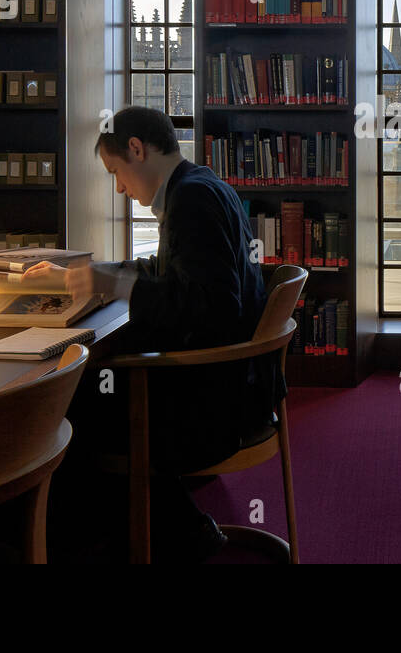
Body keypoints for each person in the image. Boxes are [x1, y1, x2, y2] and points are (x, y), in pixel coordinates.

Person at [25, 105, 273, 561]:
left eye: (116, 171)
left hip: (215, 404)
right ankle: (170, 529)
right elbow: (170, 273)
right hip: (238, 386)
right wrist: (95, 272)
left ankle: (83, 541)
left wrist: (117, 286)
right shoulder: (200, 185)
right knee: (88, 394)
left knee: (61, 410)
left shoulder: (191, 201)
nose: (119, 186)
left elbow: (213, 309)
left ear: (136, 149)